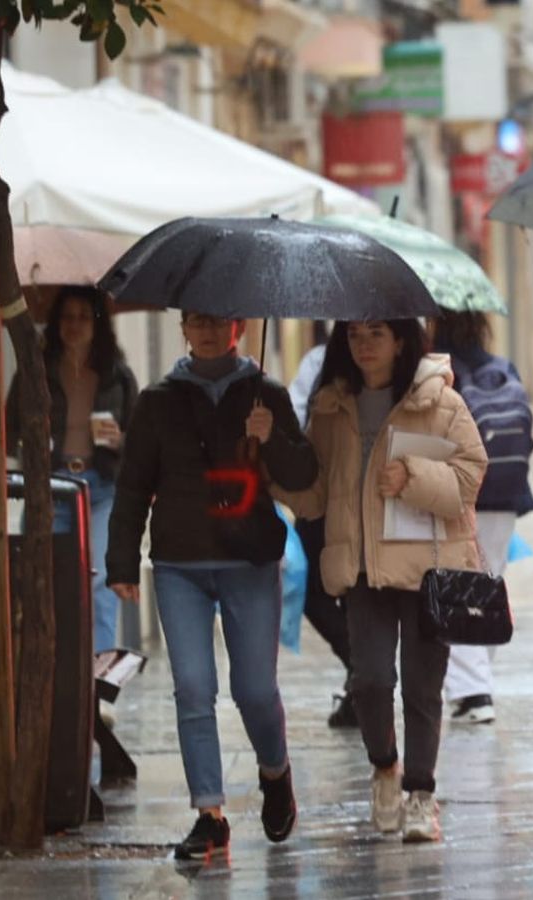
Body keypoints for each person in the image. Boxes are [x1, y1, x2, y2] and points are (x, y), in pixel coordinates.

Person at [106, 311, 317, 861]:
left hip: (248, 558)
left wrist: (271, 438)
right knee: (194, 688)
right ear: (183, 327)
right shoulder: (157, 401)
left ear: (237, 327)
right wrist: (121, 562)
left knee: (255, 690)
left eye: (216, 320)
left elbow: (302, 474)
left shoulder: (265, 393)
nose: (205, 330)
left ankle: (275, 771)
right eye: (196, 320)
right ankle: (209, 815)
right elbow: (133, 486)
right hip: (180, 562)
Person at [278, 319, 486, 843]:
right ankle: (385, 766)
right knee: (369, 679)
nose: (364, 345)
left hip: (427, 568)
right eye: (354, 336)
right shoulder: (332, 407)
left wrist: (413, 477)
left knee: (421, 686)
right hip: (362, 568)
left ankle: (421, 795)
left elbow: (469, 478)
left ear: (399, 341)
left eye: (376, 334)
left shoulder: (440, 401)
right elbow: (315, 493)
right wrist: (269, 459)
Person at [6, 287, 139, 654]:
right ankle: (59, 670)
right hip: (51, 487)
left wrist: (119, 439)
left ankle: (98, 676)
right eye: (67, 316)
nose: (74, 324)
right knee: (48, 581)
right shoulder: (36, 373)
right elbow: (9, 428)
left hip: (103, 489)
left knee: (101, 582)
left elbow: (142, 441)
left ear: (98, 324)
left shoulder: (118, 376)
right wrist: (32, 443)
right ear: (55, 322)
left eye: (83, 316)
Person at [430, 309, 533, 725]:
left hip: (467, 491)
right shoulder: (503, 368)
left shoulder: (438, 371)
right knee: (488, 584)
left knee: (459, 586)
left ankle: (473, 692)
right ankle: (478, 681)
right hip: (507, 491)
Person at [287, 342, 358, 729]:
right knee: (312, 589)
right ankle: (359, 671)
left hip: (361, 502)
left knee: (357, 593)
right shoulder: (317, 361)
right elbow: (296, 421)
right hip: (319, 500)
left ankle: (362, 679)